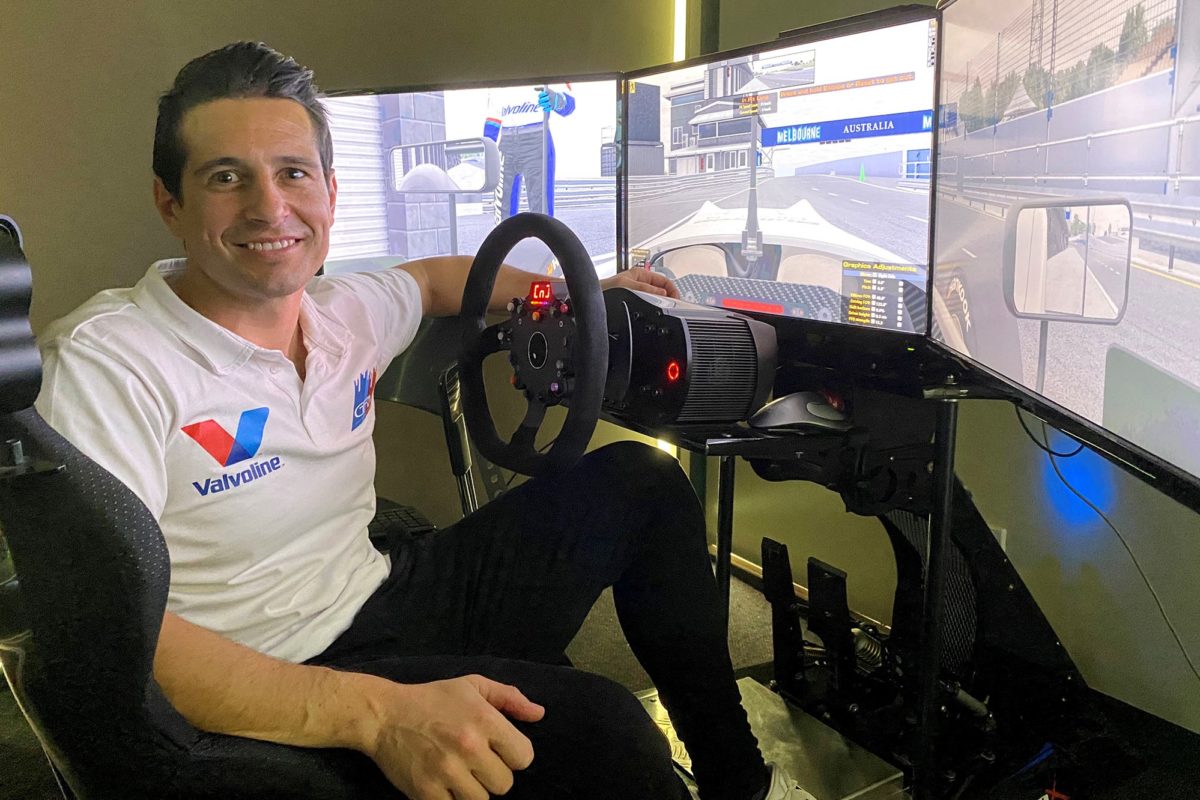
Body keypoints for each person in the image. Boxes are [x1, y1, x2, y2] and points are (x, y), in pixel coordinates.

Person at [35, 42, 811, 800]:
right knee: (609, 738)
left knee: (642, 481)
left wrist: (585, 293)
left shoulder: (342, 310)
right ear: (170, 202)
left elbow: (439, 280)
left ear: (330, 192)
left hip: (379, 592)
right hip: (265, 679)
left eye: (293, 173)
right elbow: (111, 636)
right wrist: (377, 715)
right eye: (226, 177)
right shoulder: (107, 364)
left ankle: (739, 779)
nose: (269, 207)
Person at [484, 83, 574, 221]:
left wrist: (557, 99)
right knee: (502, 210)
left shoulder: (546, 73)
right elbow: (493, 117)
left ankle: (543, 234)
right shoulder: (497, 79)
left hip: (537, 138)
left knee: (541, 210)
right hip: (506, 140)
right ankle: (505, 235)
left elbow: (570, 104)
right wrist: (487, 148)